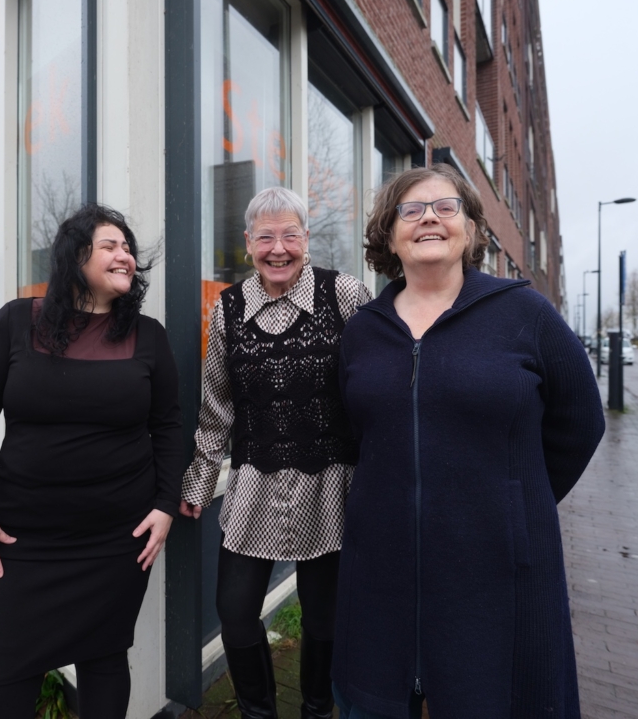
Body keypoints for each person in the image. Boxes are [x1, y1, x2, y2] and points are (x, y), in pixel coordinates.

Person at [332, 164, 605, 718]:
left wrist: (513, 501)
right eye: (410, 210)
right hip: (381, 566)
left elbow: (581, 421)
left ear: (472, 229)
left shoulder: (526, 314)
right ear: (389, 235)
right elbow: (353, 432)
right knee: (376, 697)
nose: (429, 218)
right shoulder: (362, 330)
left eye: (446, 207)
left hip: (496, 568)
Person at [0, 204, 183, 719]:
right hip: (20, 542)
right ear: (75, 256)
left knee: (105, 660)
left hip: (115, 542)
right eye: (110, 246)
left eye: (128, 248)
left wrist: (166, 503)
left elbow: (169, 426)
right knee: (2, 681)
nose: (125, 255)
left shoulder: (148, 335)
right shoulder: (16, 322)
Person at [181, 186, 371, 719]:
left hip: (332, 486)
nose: (278, 248)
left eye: (290, 235)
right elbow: (217, 403)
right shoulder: (228, 308)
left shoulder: (345, 295)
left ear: (306, 239)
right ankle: (258, 713)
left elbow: (377, 383)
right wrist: (199, 481)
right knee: (235, 611)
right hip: (255, 487)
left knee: (324, 617)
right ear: (248, 243)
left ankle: (316, 710)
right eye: (266, 237)